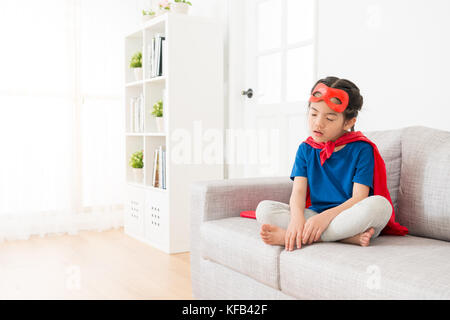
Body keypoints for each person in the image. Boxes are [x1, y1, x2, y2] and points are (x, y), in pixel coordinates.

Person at [256, 76, 407, 251]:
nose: (318, 123)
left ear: (349, 122)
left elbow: (359, 198)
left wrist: (325, 218)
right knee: (264, 210)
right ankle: (344, 238)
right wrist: (297, 220)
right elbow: (298, 192)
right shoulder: (306, 149)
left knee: (381, 206)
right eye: (313, 114)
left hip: (348, 216)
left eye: (329, 118)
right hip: (314, 215)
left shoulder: (362, 149)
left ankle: (302, 237)